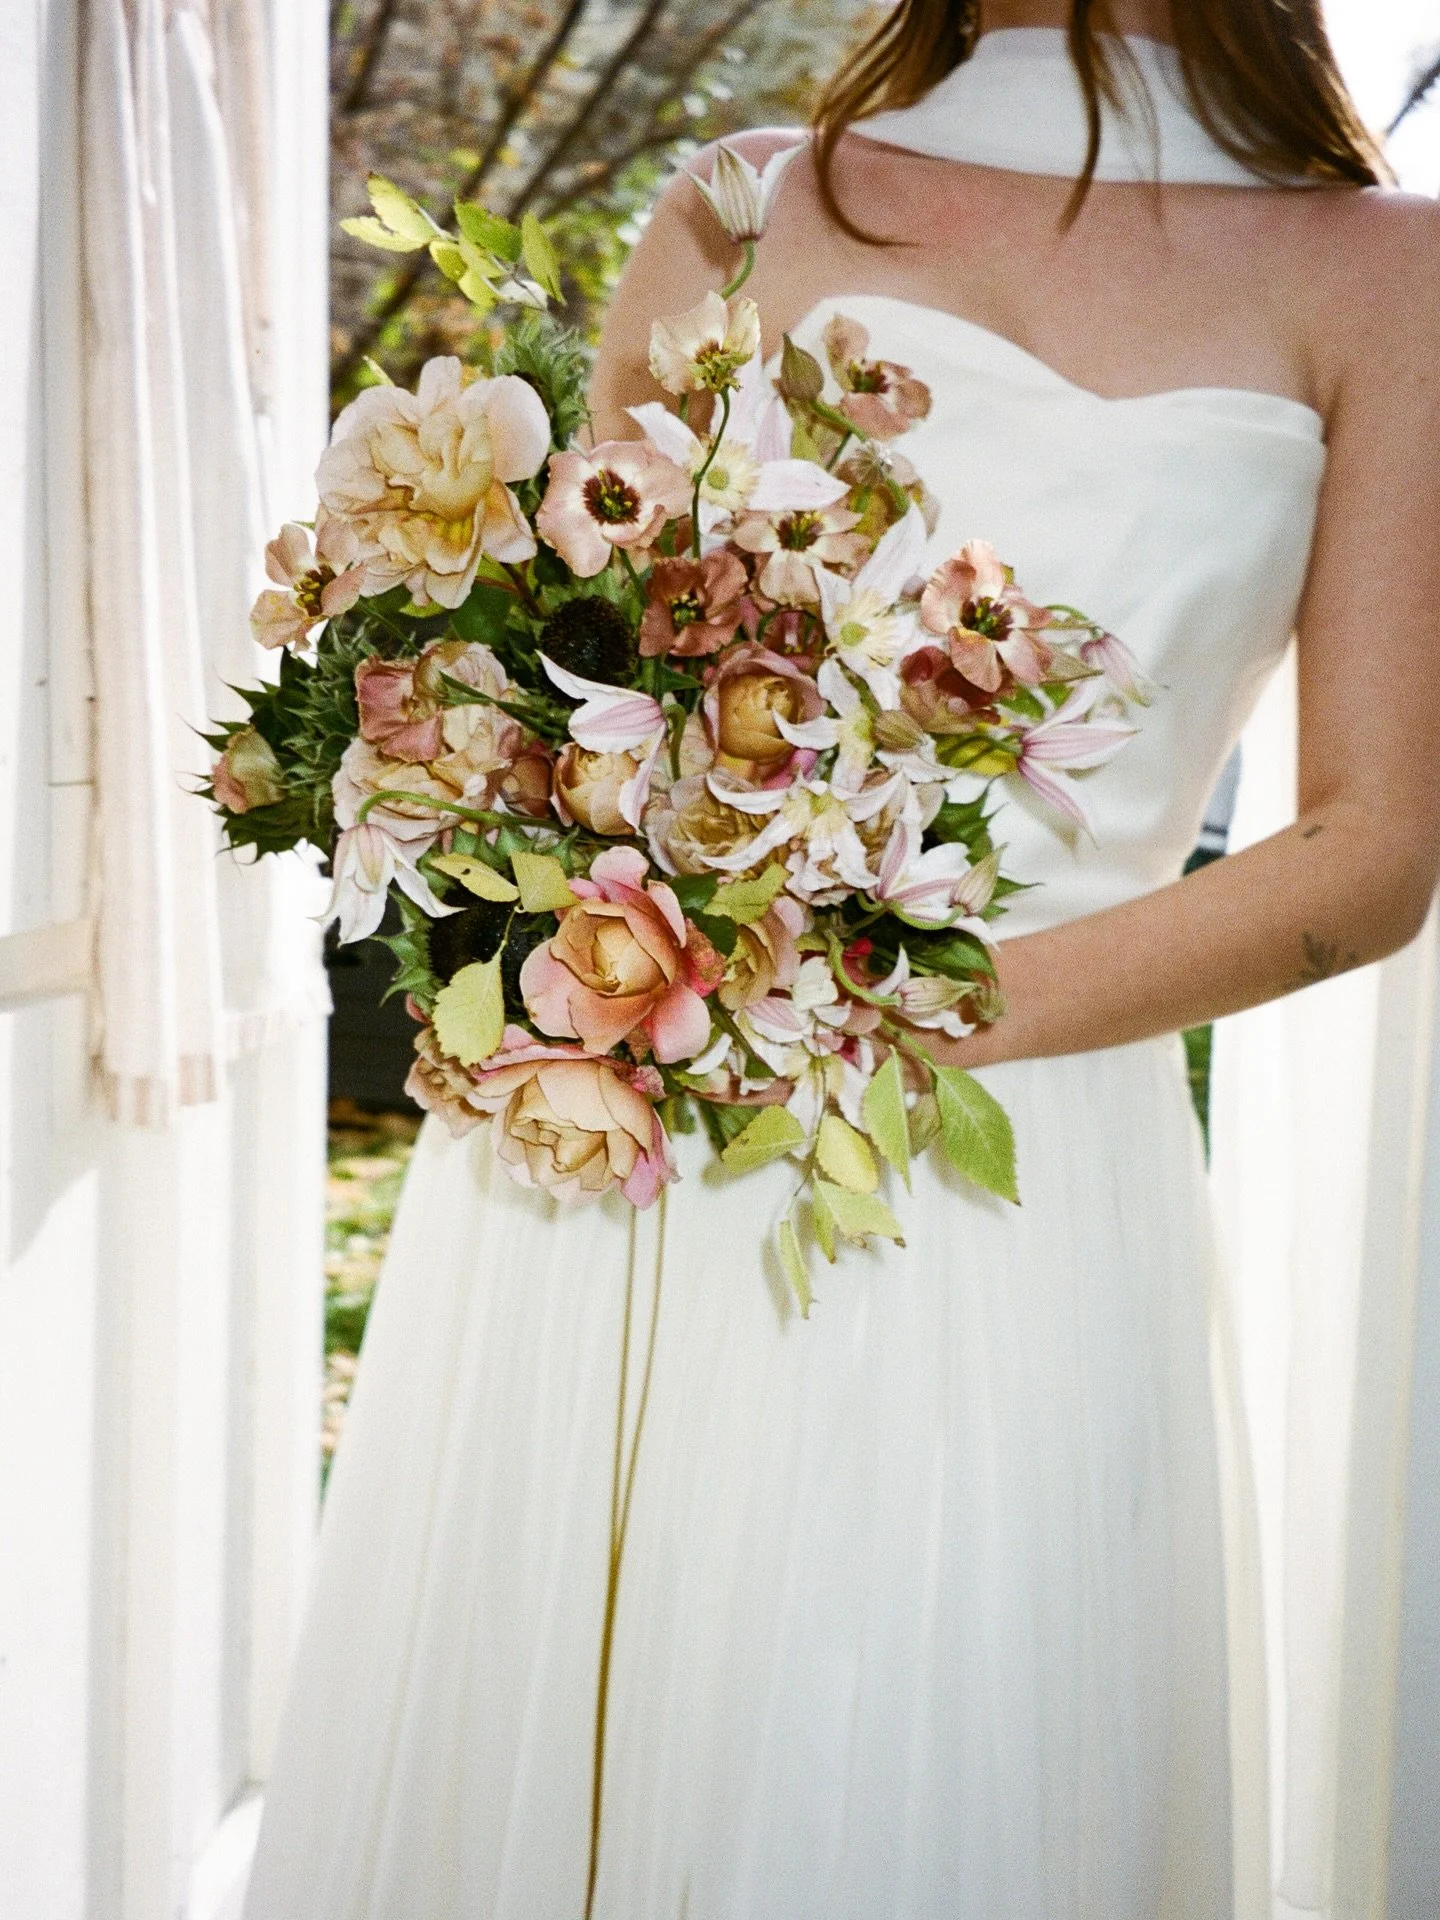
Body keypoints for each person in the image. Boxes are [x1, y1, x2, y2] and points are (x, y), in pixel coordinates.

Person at [243, 3, 1440, 1916]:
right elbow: (575, 677)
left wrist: (884, 1013)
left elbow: (1372, 851)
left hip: (1012, 1175)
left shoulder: (1390, 275)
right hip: (634, 1143)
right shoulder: (738, 206)